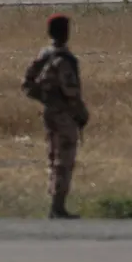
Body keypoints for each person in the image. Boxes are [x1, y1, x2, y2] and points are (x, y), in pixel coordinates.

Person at [21, 13, 90, 219]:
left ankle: (56, 204)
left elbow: (27, 84)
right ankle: (58, 206)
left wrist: (46, 99)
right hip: (63, 114)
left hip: (50, 112)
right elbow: (71, 92)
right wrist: (80, 113)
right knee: (64, 157)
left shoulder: (43, 55)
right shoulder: (63, 59)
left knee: (53, 156)